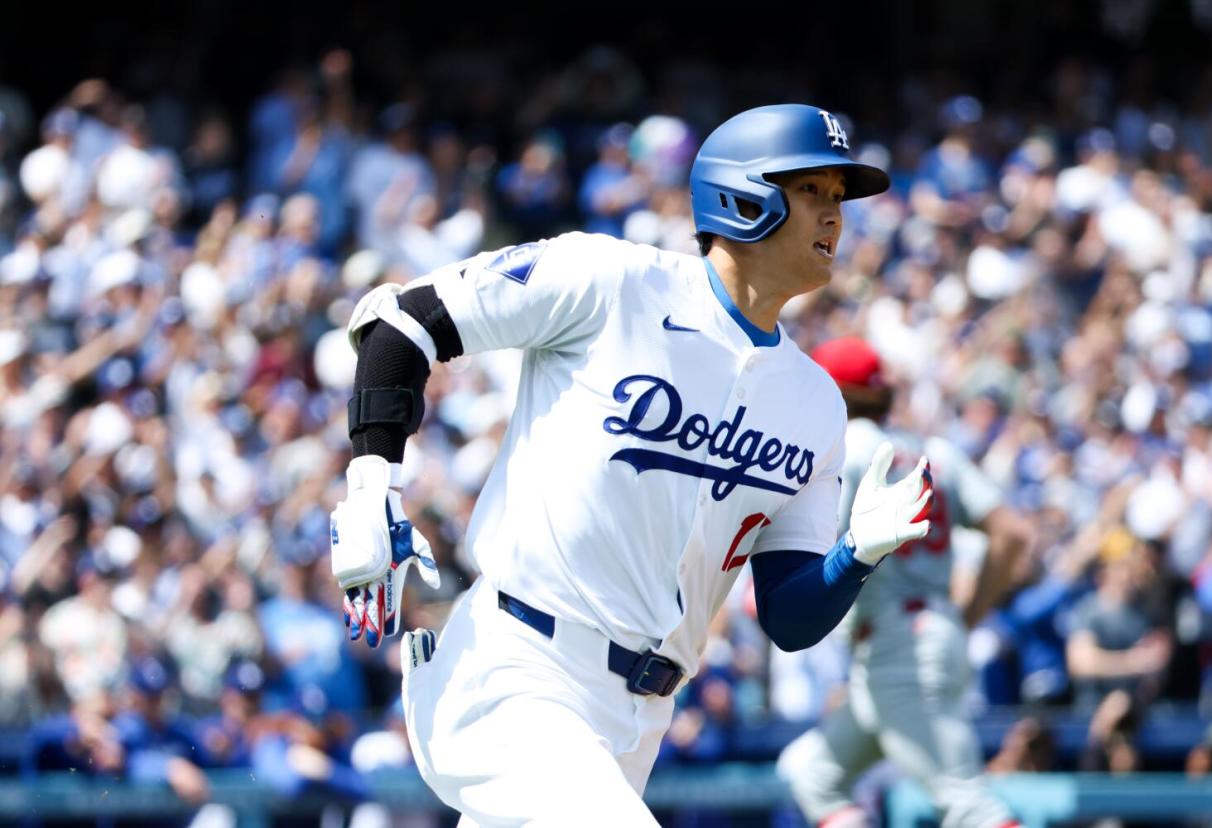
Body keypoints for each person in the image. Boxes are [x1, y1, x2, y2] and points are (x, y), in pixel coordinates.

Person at [329, 104, 934, 826]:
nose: (835, 216)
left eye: (840, 198)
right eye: (814, 190)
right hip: (516, 668)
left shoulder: (815, 404)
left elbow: (789, 617)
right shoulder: (612, 280)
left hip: (641, 719)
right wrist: (370, 485)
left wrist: (855, 554)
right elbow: (403, 324)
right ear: (743, 195)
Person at [777, 336, 1033, 828]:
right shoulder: (936, 453)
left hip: (901, 649)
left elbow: (817, 550)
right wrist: (968, 613)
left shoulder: (848, 452)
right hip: (918, 636)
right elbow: (1013, 534)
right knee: (816, 778)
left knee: (968, 805)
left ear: (833, 390)